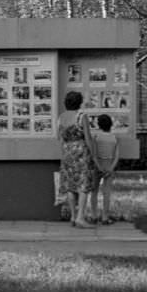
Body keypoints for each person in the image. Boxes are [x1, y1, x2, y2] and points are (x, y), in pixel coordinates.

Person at [57, 91, 97, 228]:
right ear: (79, 102)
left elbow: (60, 138)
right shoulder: (82, 116)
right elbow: (88, 137)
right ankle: (81, 217)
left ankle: (73, 217)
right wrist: (93, 155)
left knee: (70, 186)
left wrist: (65, 153)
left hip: (67, 152)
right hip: (81, 153)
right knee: (83, 186)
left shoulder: (61, 117)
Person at [89, 114, 122, 225]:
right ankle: (105, 217)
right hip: (109, 164)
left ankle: (94, 216)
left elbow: (93, 155)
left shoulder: (96, 137)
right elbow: (117, 156)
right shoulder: (115, 138)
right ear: (111, 125)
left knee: (94, 191)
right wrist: (110, 168)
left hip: (97, 164)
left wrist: (99, 167)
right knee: (106, 193)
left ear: (99, 125)